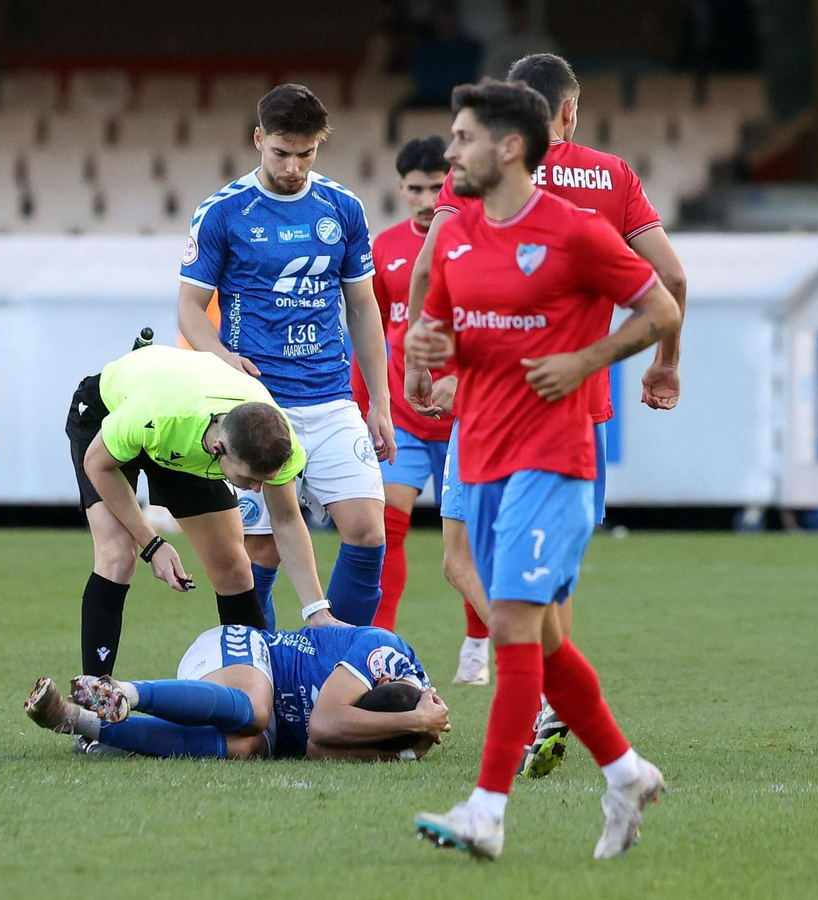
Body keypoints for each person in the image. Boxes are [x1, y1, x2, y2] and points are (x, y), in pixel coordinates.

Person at [406, 80, 680, 861]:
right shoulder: (457, 235)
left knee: (511, 625)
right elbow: (450, 333)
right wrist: (430, 352)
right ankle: (626, 774)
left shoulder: (576, 231)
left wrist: (587, 360)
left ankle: (486, 813)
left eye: (463, 138)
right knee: (548, 642)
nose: (450, 152)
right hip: (484, 455)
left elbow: (662, 308)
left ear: (509, 147)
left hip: (555, 457)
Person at [177, 84, 394, 630]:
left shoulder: (343, 207)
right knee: (262, 549)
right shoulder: (223, 211)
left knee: (369, 531)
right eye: (281, 152)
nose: (294, 167)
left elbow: (363, 307)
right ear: (259, 140)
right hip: (257, 404)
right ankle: (263, 667)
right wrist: (223, 357)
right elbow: (189, 310)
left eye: (306, 153)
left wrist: (380, 401)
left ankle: (333, 663)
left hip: (331, 397)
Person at [67, 344, 343, 682]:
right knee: (118, 555)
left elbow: (286, 520)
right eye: (250, 479)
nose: (257, 489)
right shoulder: (157, 416)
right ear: (218, 449)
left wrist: (317, 611)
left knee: (234, 567)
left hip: (185, 432)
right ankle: (93, 698)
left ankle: (254, 693)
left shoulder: (277, 437)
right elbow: (98, 465)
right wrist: (152, 544)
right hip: (112, 414)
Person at [349, 136, 488, 649]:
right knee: (386, 528)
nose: (428, 200)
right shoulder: (383, 249)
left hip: (466, 416)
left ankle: (477, 640)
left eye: (436, 187)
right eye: (416, 189)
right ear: (401, 188)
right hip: (404, 417)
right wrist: (364, 406)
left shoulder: (477, 242)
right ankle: (380, 643)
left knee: (470, 538)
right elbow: (368, 335)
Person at [24, 622, 447, 762]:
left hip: (270, 729)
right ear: (381, 682)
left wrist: (409, 743)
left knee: (247, 747)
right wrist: (414, 722)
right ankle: (124, 693)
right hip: (247, 653)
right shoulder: (384, 653)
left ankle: (75, 721)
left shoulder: (416, 732)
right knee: (255, 711)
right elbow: (324, 724)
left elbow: (318, 748)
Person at [479, 0, 560, 81]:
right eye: (515, 15)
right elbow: (486, 76)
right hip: (504, 87)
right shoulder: (497, 45)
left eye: (521, 15)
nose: (518, 19)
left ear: (527, 15)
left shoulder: (542, 43)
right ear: (510, 15)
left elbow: (555, 75)